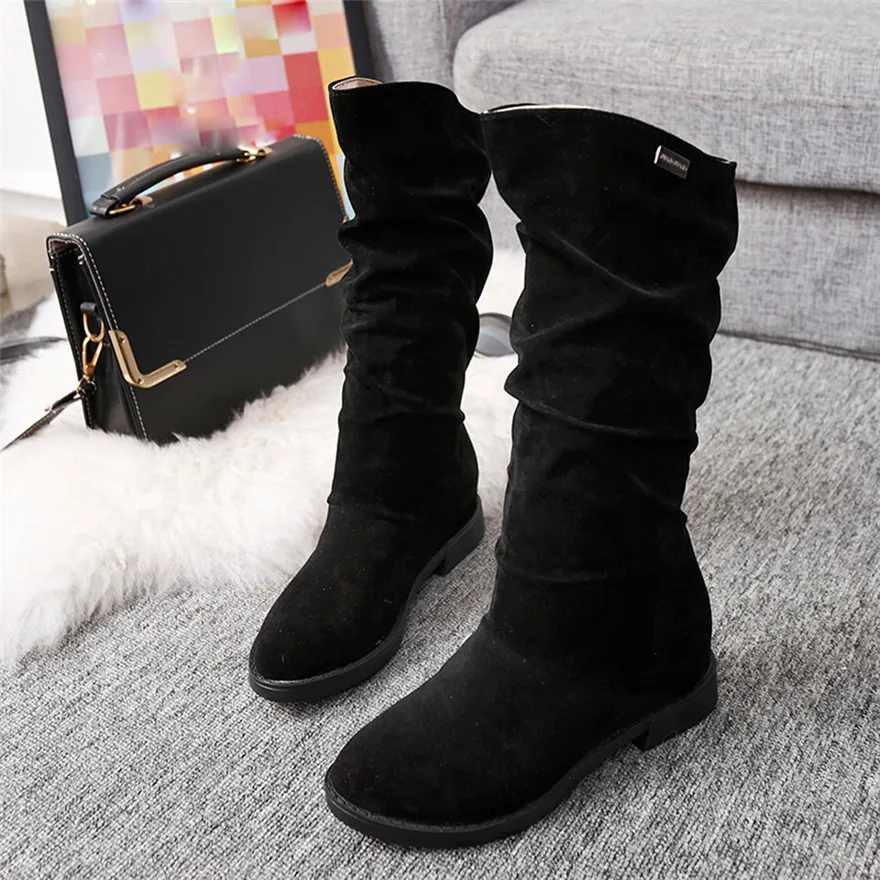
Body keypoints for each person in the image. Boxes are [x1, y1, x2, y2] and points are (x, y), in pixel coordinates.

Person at [249, 75, 738, 847]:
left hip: (593, 618)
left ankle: (585, 626)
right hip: (613, 611)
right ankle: (425, 501)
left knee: (601, 298)